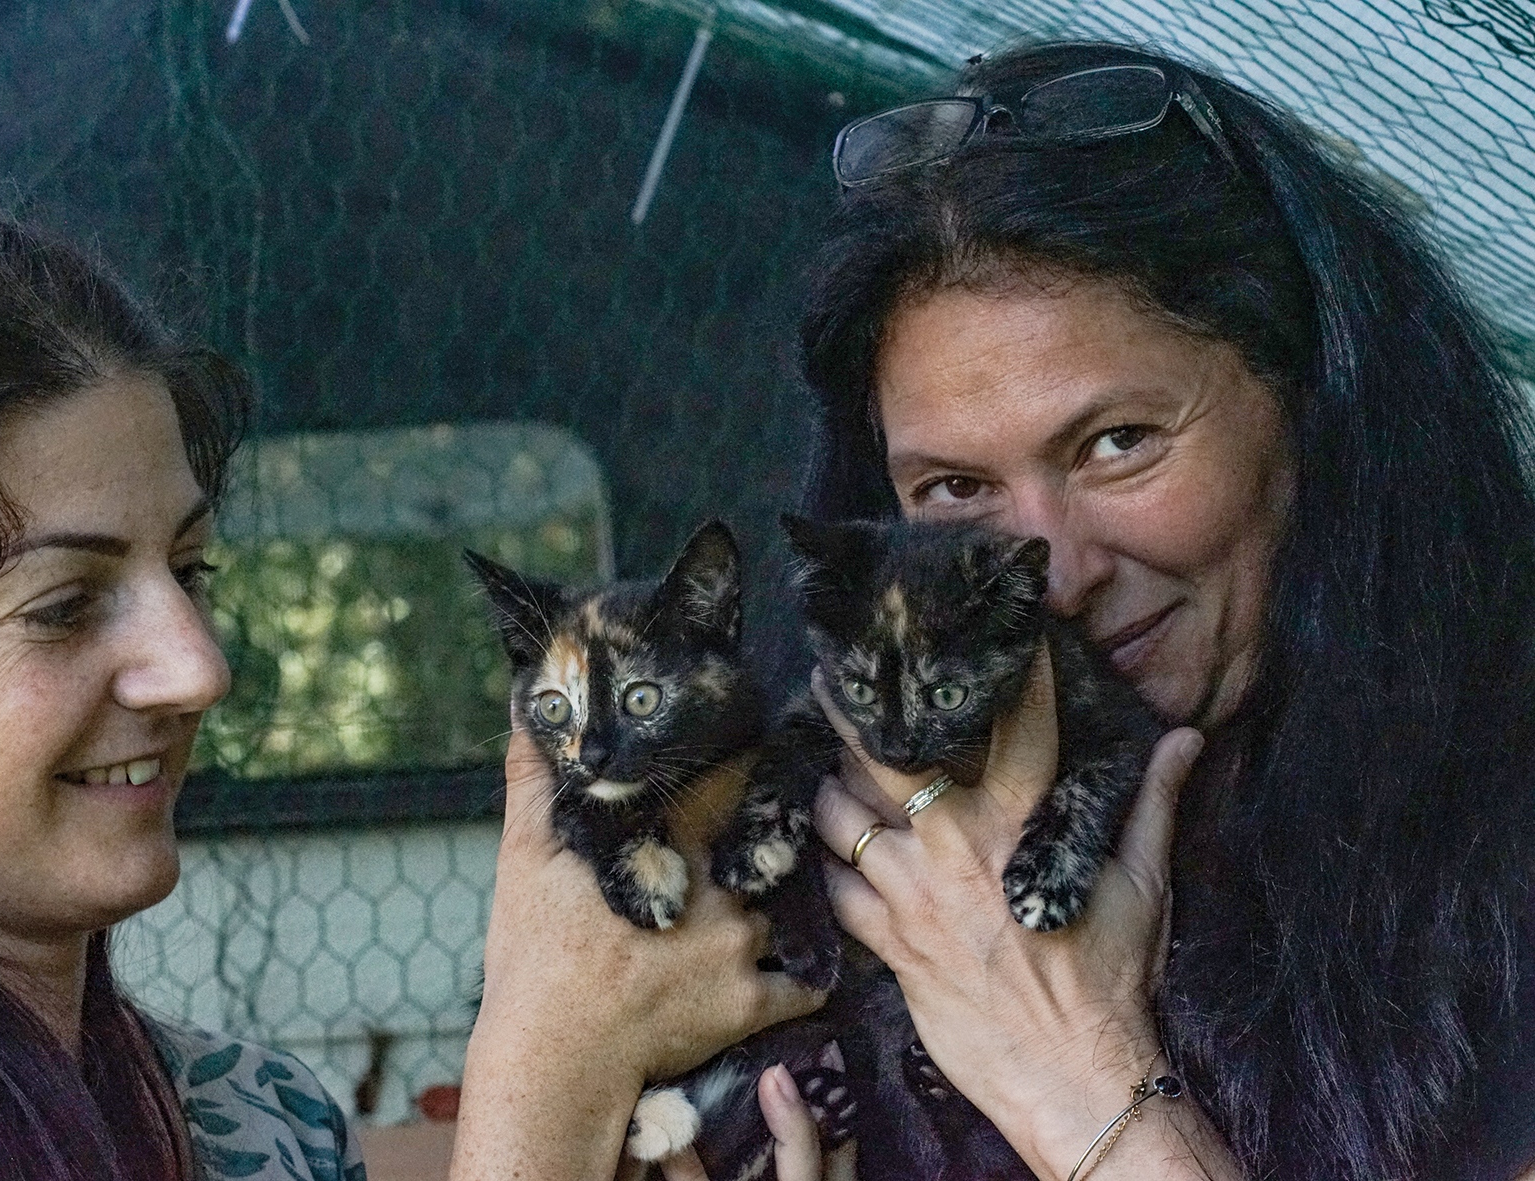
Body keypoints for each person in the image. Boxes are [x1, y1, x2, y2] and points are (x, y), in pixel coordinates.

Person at [457, 38, 1535, 1181]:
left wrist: (1071, 1060)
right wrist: (540, 1058)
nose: (1051, 578)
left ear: (1315, 403)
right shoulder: (808, 834)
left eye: (1118, 442)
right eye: (955, 491)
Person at [0, 199, 363, 1180]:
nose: (198, 669)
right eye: (64, 605)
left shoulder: (262, 1118)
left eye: (190, 570)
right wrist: (545, 1079)